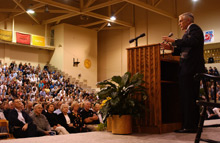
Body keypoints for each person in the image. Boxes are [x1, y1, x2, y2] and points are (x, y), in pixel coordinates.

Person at [161, 12, 205, 133]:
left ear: (188, 21)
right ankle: (190, 125)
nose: (179, 23)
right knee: (187, 97)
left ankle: (190, 126)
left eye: (180, 21)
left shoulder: (195, 28)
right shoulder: (187, 33)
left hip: (191, 69)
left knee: (189, 97)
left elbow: (193, 43)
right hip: (187, 68)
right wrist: (172, 48)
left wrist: (174, 40)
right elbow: (184, 48)